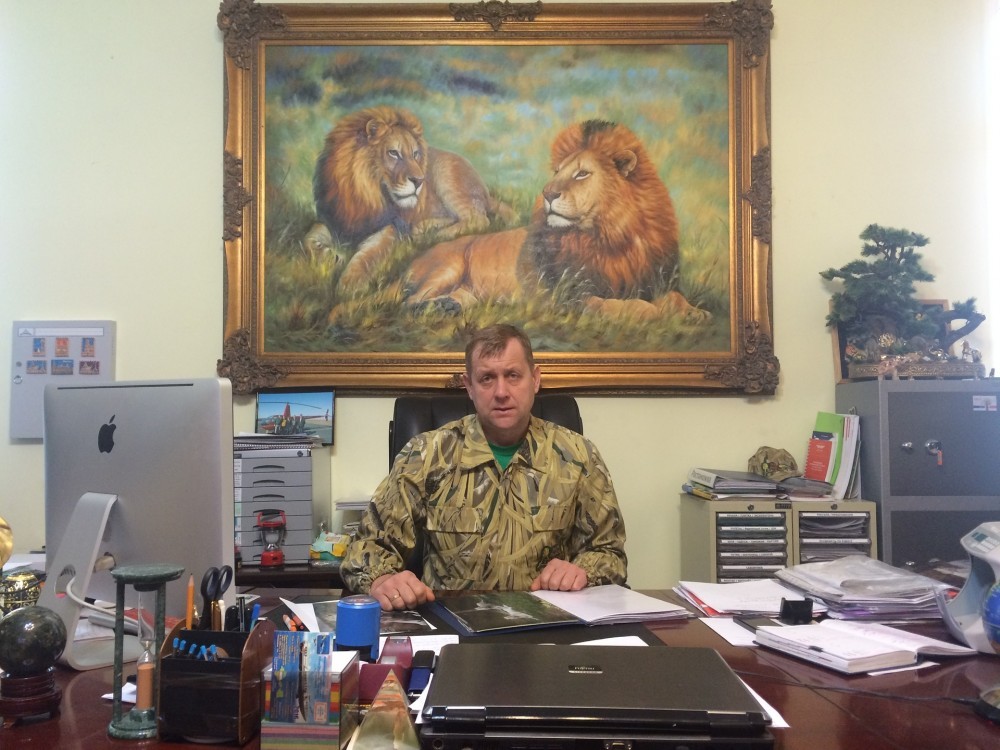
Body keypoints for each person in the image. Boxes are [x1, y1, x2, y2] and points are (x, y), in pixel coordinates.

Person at [340, 323, 628, 611]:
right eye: (487, 378)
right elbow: (366, 548)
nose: (501, 392)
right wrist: (382, 580)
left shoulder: (578, 456)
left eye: (513, 375)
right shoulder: (426, 455)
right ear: (469, 387)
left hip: (547, 622)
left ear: (535, 379)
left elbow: (610, 554)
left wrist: (583, 571)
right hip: (452, 622)